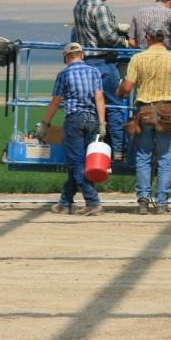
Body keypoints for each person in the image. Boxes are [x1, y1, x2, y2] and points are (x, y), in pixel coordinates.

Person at [117, 23, 171, 215]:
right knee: (166, 159)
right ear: (164, 38)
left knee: (143, 157)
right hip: (167, 112)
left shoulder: (137, 59)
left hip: (145, 112)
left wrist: (120, 91)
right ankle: (162, 203)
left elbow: (128, 87)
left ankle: (142, 202)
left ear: (147, 38)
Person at [40, 42, 107, 216]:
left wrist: (44, 124)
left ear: (66, 58)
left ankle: (93, 202)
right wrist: (102, 123)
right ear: (82, 55)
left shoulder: (64, 74)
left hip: (74, 120)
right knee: (79, 163)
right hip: (92, 120)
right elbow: (99, 98)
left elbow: (55, 101)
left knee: (76, 163)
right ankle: (65, 202)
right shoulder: (95, 72)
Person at [73, 0, 129, 160]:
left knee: (90, 107)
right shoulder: (100, 7)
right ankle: (118, 150)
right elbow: (107, 37)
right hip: (102, 62)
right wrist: (126, 42)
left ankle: (91, 147)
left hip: (85, 63)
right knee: (114, 105)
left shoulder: (79, 4)